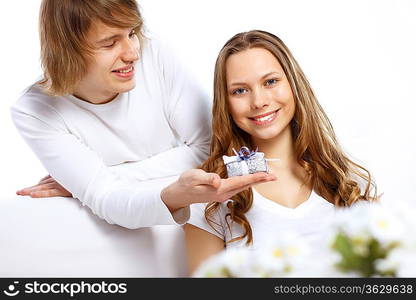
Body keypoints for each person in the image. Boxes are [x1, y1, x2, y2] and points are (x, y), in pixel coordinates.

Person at [11, 1, 276, 229]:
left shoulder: (154, 53)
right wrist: (96, 189)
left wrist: (91, 183)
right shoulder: (34, 111)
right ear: (67, 50)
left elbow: (211, 146)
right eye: (109, 43)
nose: (133, 53)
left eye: (132, 33)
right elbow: (107, 199)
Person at [183, 30, 378, 274]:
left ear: (293, 85)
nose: (259, 101)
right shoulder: (210, 195)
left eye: (270, 82)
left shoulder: (347, 180)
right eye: (240, 90)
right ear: (226, 103)